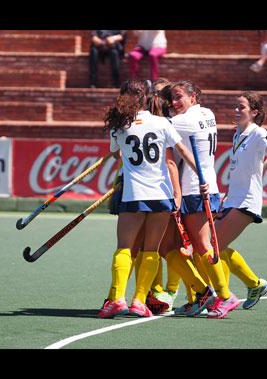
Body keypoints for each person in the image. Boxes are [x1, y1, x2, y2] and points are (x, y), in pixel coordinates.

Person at [98, 79, 215, 318]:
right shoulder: (162, 122)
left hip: (133, 196)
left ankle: (117, 298)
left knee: (124, 248)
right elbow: (181, 151)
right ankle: (139, 302)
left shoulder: (118, 126)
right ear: (146, 98)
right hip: (161, 197)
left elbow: (114, 154)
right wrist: (202, 178)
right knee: (151, 250)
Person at [214, 91, 267, 309]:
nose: (236, 110)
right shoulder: (237, 135)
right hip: (233, 198)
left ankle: (224, 298)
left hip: (247, 200)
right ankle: (254, 284)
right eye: (236, 106)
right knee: (216, 246)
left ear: (254, 112)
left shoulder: (258, 133)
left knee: (214, 245)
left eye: (241, 107)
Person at [162, 80, 240, 319]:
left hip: (195, 189)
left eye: (179, 97)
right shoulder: (208, 113)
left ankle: (226, 297)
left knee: (204, 247)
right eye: (171, 99)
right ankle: (202, 296)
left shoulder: (183, 120)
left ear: (193, 96)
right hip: (204, 185)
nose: (174, 104)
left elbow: (158, 128)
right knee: (193, 248)